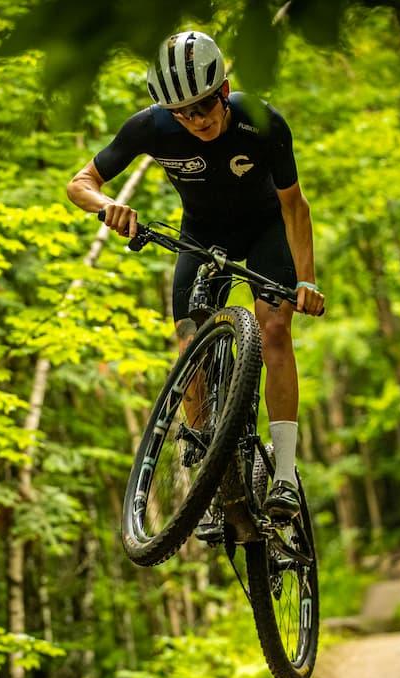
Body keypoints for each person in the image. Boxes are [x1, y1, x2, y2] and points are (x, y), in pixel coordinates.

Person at [66, 30, 325, 521]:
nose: (197, 119)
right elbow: (80, 183)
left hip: (265, 229)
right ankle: (206, 465)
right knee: (189, 343)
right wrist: (108, 206)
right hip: (202, 234)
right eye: (182, 112)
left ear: (223, 91)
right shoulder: (150, 127)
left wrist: (306, 281)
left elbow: (295, 206)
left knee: (274, 328)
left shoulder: (261, 121)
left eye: (204, 105)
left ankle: (285, 475)